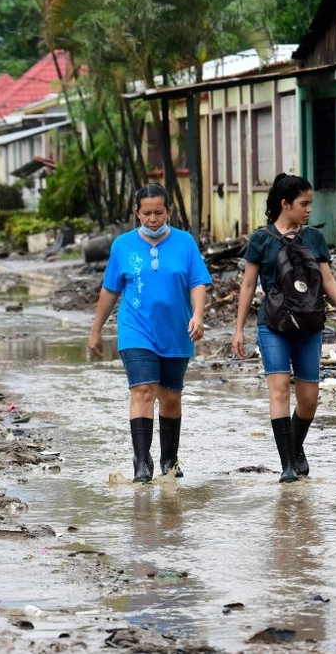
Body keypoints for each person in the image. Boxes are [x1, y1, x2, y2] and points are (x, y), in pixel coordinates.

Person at [232, 173, 336, 483]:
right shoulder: (260, 240)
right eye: (304, 203)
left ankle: (295, 447)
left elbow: (327, 281)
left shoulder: (314, 238)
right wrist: (238, 329)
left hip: (309, 324)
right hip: (272, 324)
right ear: (285, 204)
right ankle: (287, 465)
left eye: (310, 203)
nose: (309, 209)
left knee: (310, 400)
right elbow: (247, 286)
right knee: (280, 389)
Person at [89, 183, 212, 483]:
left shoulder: (185, 243)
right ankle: (141, 463)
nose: (153, 219)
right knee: (143, 391)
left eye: (159, 212)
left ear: (169, 211)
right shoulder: (123, 245)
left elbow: (197, 283)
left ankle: (169, 460)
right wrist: (96, 330)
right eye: (147, 213)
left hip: (177, 330)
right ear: (137, 213)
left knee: (170, 397)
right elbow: (110, 290)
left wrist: (197, 315)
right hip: (136, 329)